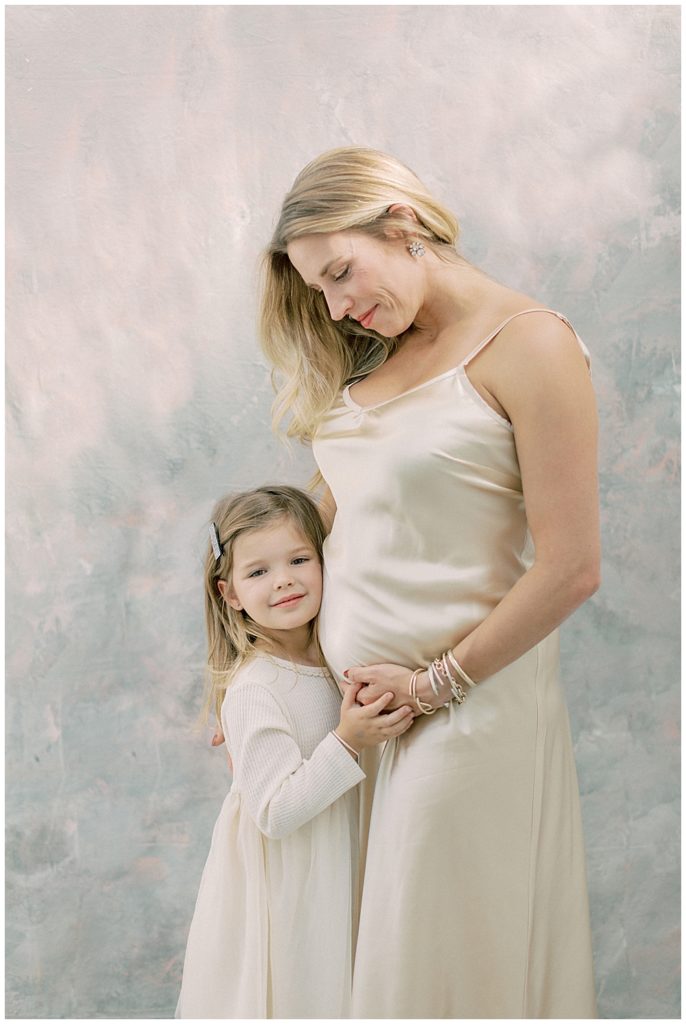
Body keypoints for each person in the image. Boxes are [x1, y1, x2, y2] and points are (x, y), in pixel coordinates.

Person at [259, 147, 600, 1018]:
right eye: (320, 291)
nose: (339, 306)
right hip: (369, 722)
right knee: (377, 974)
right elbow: (326, 529)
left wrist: (433, 686)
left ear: (401, 222)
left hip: (466, 714)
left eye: (341, 272)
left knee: (435, 979)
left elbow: (570, 568)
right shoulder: (372, 360)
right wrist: (258, 676)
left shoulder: (529, 344)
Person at [175, 485, 413, 1019]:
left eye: (299, 560)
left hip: (336, 861)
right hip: (290, 889)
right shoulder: (257, 687)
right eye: (257, 572)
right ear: (229, 593)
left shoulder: (331, 655)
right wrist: (349, 739)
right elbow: (276, 813)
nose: (282, 579)